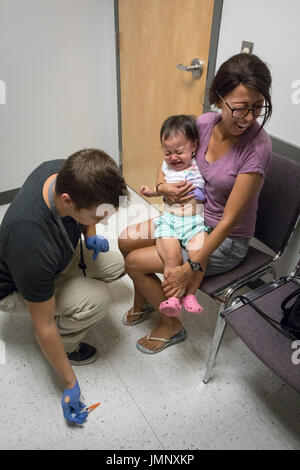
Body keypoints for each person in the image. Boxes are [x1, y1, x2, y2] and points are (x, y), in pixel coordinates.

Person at [118, 52, 272, 354]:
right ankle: (146, 303)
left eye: (258, 107)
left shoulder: (257, 149)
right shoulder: (202, 124)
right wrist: (164, 189)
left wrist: (193, 264)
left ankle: (170, 325)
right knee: (125, 240)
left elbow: (228, 221)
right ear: (218, 99)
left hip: (223, 238)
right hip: (188, 216)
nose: (250, 117)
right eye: (240, 108)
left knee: (134, 262)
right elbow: (171, 163)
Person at [0, 148, 128, 424]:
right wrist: (69, 383)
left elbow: (86, 218)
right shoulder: (29, 240)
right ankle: (68, 343)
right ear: (67, 201)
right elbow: (43, 326)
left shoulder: (64, 171)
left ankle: (71, 292)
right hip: (15, 286)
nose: (104, 222)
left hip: (57, 254)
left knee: (117, 264)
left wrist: (91, 232)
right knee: (98, 298)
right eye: (97, 217)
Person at [138, 115, 209, 318]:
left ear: (194, 146)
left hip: (195, 222)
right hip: (170, 221)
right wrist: (152, 191)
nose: (173, 157)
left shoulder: (199, 165)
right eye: (167, 152)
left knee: (200, 254)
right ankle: (172, 298)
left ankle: (190, 295)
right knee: (172, 258)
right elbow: (159, 189)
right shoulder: (165, 167)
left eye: (179, 151)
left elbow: (211, 185)